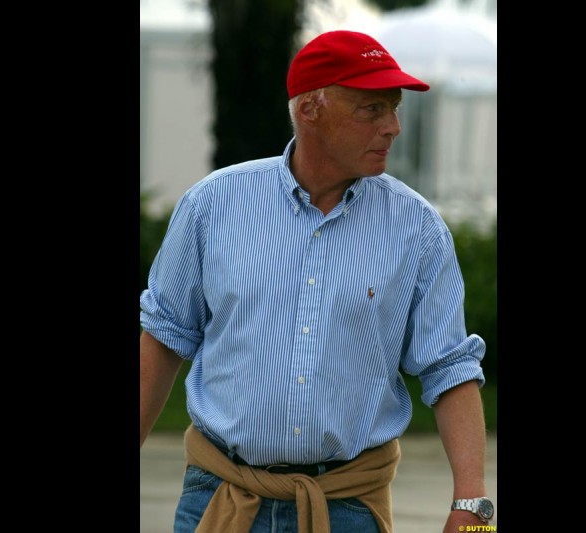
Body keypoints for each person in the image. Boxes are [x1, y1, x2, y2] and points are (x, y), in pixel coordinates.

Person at [140, 30, 492, 533]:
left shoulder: (417, 228)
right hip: (218, 499)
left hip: (348, 507)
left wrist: (474, 505)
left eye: (393, 108)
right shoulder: (212, 207)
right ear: (310, 109)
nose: (393, 127)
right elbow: (163, 341)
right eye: (371, 109)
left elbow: (450, 368)